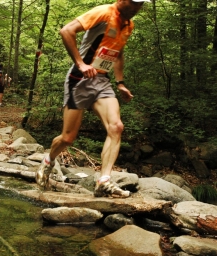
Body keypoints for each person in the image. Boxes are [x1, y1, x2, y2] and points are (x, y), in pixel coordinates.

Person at [36, 0, 150, 198]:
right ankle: (48, 161)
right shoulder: (104, 12)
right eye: (134, 3)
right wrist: (80, 64)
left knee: (116, 127)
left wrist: (120, 82)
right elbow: (66, 31)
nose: (136, 8)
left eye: (140, 5)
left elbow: (118, 53)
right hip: (79, 79)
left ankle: (103, 181)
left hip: (102, 81)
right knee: (68, 138)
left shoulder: (128, 26)